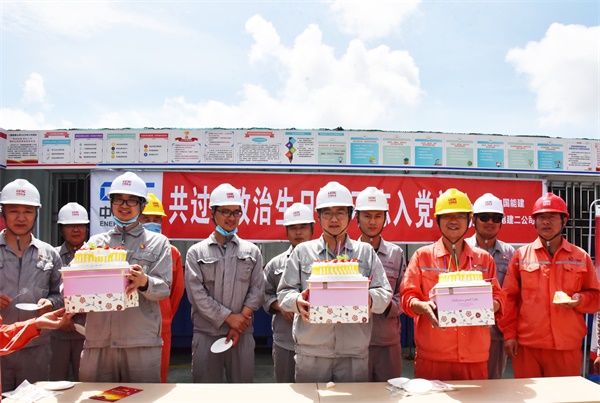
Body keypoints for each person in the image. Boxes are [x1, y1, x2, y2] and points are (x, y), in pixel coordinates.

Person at [278, 181, 392, 383]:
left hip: (353, 352)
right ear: (318, 216)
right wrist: (297, 301)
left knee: (354, 398)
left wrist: (368, 299)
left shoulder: (365, 252)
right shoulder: (303, 252)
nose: (333, 219)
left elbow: (385, 292)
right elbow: (284, 293)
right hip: (312, 350)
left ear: (350, 215)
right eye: (327, 213)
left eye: (340, 212)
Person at [400, 188, 504, 381]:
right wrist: (422, 307)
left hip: (474, 357)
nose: (454, 221)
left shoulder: (484, 259)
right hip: (433, 357)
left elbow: (498, 297)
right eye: (447, 216)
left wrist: (489, 306)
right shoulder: (422, 256)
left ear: (469, 220)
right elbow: (407, 297)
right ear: (438, 220)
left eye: (460, 216)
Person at [78, 172, 172, 383]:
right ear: (111, 203)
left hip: (140, 343)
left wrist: (144, 282)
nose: (124, 205)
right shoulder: (94, 243)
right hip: (99, 342)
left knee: (143, 396)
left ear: (142, 205)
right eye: (118, 199)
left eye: (132, 200)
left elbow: (165, 288)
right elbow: (75, 287)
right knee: (95, 396)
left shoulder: (158, 243)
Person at [499, 192, 600, 378]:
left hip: (566, 347)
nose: (546, 222)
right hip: (528, 346)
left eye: (552, 217)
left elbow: (596, 297)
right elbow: (509, 299)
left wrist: (580, 300)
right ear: (534, 222)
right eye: (541, 217)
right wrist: (509, 335)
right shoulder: (521, 256)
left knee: (563, 394)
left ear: (564, 220)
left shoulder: (580, 257)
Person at [185, 183, 264, 383]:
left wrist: (239, 323)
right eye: (225, 211)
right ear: (213, 213)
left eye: (236, 212)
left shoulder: (252, 251)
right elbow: (197, 295)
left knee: (242, 390)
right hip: (206, 333)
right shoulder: (196, 252)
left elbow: (257, 290)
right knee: (205, 391)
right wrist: (228, 318)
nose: (231, 217)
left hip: (242, 334)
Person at [0, 179, 64, 392]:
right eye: (13, 211)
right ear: (3, 212)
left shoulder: (50, 254)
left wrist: (51, 303)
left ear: (36, 213)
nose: (21, 217)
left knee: (34, 398)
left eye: (28, 211)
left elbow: (61, 294)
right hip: (1, 346)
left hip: (36, 346)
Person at [355, 186, 406, 382]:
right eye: (367, 216)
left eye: (378, 216)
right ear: (357, 218)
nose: (372, 221)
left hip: (387, 340)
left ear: (385, 218)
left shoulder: (396, 254)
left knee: (389, 391)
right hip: (355, 342)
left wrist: (385, 306)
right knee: (358, 393)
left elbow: (404, 294)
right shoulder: (348, 253)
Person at [465, 193, 515, 379]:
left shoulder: (509, 253)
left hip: (497, 334)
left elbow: (512, 295)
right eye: (484, 217)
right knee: (467, 385)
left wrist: (509, 333)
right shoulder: (463, 249)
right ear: (474, 220)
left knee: (494, 385)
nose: (490, 222)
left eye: (496, 218)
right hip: (468, 332)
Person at [263, 203, 314, 383]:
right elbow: (264, 293)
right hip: (285, 340)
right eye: (293, 228)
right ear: (286, 231)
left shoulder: (325, 262)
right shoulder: (275, 264)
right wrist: (280, 305)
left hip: (317, 342)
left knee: (315, 390)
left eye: (303, 227)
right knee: (285, 389)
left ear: (312, 229)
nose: (298, 232)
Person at [138, 193, 185, 383]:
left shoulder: (172, 252)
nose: (152, 223)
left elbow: (177, 292)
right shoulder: (125, 250)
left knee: (158, 378)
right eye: (146, 219)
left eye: (156, 219)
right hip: (132, 325)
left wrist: (165, 316)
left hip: (161, 326)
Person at [50, 202, 89, 381]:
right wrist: (63, 318)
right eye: (69, 225)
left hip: (88, 331)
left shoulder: (96, 255)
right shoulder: (52, 255)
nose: (76, 229)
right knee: (56, 381)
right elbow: (48, 290)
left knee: (87, 382)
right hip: (58, 330)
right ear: (61, 230)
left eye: (80, 225)